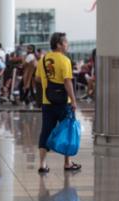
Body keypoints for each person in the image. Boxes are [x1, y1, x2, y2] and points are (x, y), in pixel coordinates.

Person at [35, 32, 81, 173]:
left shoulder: (43, 60)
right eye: (65, 42)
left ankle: (42, 164)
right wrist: (73, 101)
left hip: (47, 102)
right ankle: (67, 163)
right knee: (66, 130)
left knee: (46, 131)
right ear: (59, 44)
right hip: (63, 103)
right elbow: (67, 82)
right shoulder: (64, 60)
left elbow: (37, 79)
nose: (67, 44)